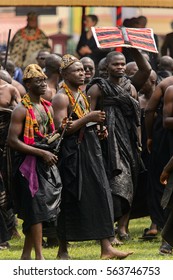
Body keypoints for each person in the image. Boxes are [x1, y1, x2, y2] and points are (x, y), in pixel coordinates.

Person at [52, 54, 133, 260]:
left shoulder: (81, 94)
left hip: (90, 150)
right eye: (77, 70)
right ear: (64, 74)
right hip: (72, 155)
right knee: (70, 197)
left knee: (101, 194)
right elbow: (62, 129)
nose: (82, 73)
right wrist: (89, 117)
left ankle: (106, 248)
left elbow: (81, 124)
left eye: (83, 70)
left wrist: (97, 129)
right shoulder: (61, 96)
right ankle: (63, 250)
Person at [86, 48, 150, 241]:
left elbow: (146, 70)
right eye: (116, 64)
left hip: (128, 140)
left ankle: (123, 227)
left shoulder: (130, 86)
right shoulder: (97, 88)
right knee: (112, 183)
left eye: (123, 63)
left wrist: (134, 50)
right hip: (106, 140)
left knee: (130, 181)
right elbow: (87, 115)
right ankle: (107, 229)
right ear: (106, 67)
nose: (120, 67)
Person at [7, 64, 62, 260]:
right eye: (38, 81)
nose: (43, 84)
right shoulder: (21, 110)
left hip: (44, 161)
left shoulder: (46, 106)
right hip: (27, 165)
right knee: (36, 209)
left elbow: (47, 135)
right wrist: (41, 153)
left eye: (44, 81)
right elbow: (12, 141)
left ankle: (25, 255)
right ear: (27, 84)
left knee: (36, 209)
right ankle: (39, 256)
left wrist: (63, 130)